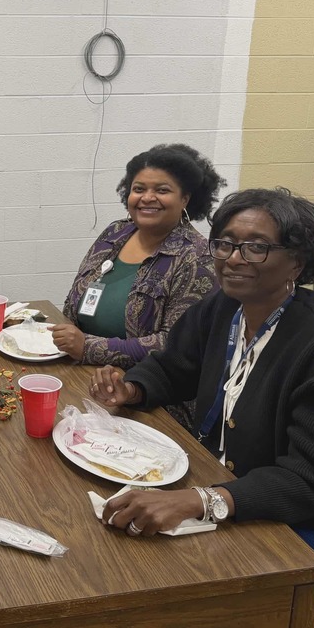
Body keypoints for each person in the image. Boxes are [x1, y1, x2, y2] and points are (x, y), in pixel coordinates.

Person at [91, 188, 314, 628]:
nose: (234, 257)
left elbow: (312, 482)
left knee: (167, 604)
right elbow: (176, 367)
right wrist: (132, 389)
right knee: (130, 555)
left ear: (298, 261)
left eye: (256, 246)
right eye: (225, 243)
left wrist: (201, 501)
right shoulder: (225, 307)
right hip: (260, 503)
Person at [53, 143, 224, 429]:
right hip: (83, 378)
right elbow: (76, 302)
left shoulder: (197, 258)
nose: (147, 198)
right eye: (139, 188)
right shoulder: (115, 233)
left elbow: (173, 345)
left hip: (146, 399)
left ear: (186, 198)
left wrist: (88, 348)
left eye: (162, 190)